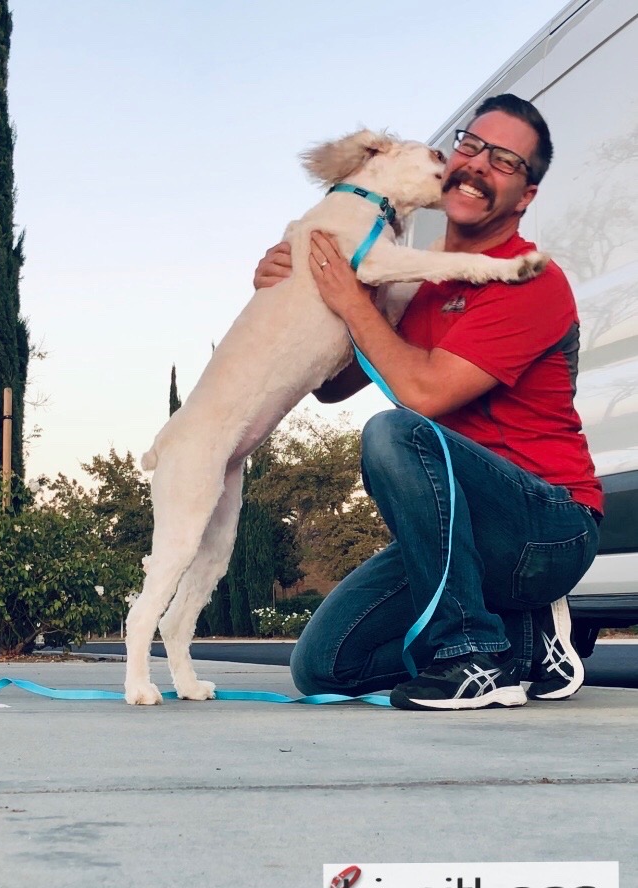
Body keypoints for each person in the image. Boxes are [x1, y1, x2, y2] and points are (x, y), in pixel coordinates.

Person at [253, 94, 603, 711]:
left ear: (525, 197)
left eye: (504, 161)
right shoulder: (419, 284)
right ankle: (523, 644)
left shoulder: (527, 277)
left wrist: (351, 297)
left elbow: (422, 394)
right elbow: (331, 387)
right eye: (470, 145)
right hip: (462, 530)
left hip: (547, 528)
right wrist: (299, 296)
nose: (476, 164)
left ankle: (468, 657)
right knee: (325, 666)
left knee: (396, 431)